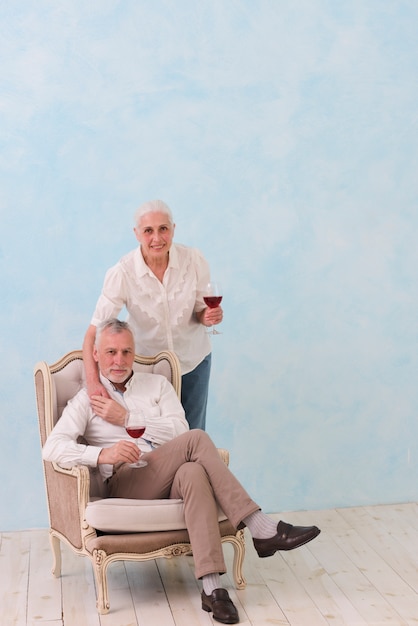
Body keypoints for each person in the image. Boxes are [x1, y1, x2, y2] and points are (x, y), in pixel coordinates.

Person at [43, 318, 321, 624]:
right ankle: (260, 526)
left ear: (134, 352)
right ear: (96, 355)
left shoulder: (157, 385)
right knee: (198, 440)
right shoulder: (88, 399)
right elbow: (52, 448)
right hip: (126, 481)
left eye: (126, 352)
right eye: (111, 352)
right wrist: (102, 454)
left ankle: (212, 589)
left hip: (168, 474)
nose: (119, 360)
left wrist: (128, 417)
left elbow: (179, 431)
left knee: (193, 473)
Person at [82, 199, 221, 431]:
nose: (157, 238)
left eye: (163, 229)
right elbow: (92, 333)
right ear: (137, 234)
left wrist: (208, 316)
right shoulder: (123, 273)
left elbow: (200, 312)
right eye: (148, 231)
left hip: (194, 362)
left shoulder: (194, 260)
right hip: (149, 369)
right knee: (154, 436)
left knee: (194, 434)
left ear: (173, 229)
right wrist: (93, 382)